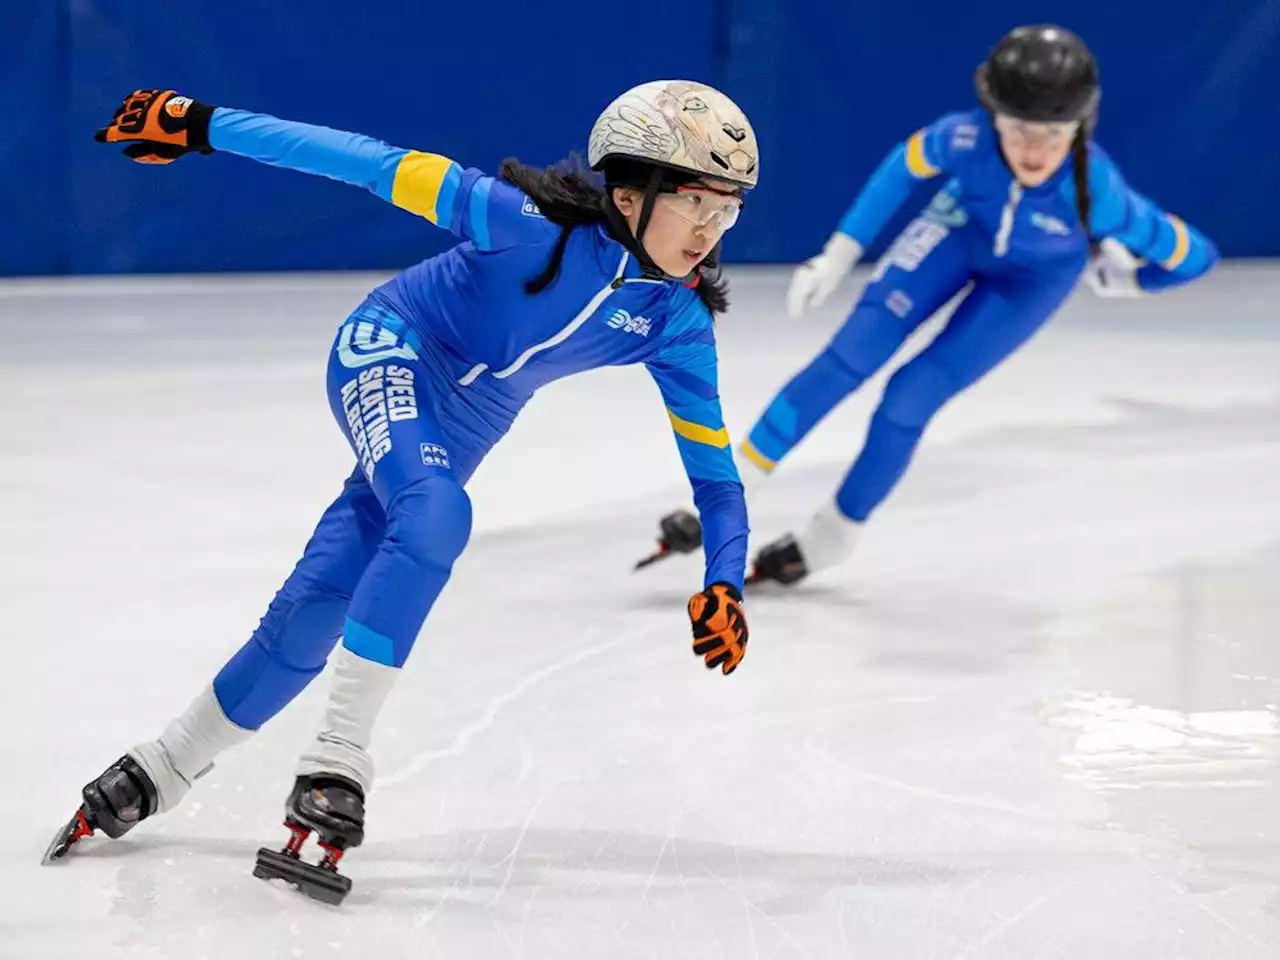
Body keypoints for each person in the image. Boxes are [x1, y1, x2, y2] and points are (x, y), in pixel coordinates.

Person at [44, 80, 757, 902]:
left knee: (318, 607)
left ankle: (159, 768)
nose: (711, 230)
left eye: (728, 210)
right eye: (697, 203)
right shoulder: (513, 219)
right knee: (438, 510)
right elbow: (358, 160)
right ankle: (337, 761)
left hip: (465, 421)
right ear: (631, 193)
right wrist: (202, 125)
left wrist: (724, 581)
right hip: (393, 346)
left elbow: (717, 481)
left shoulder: (676, 323)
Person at [645, 25, 1217, 588]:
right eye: (1018, 129)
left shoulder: (1101, 193)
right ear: (993, 114)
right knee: (848, 357)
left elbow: (1196, 257)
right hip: (958, 233)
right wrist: (839, 254)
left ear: (1080, 126)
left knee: (910, 397)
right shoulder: (964, 138)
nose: (1034, 150)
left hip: (1030, 282)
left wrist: (1135, 281)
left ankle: (832, 536)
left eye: (1053, 133)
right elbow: (902, 168)